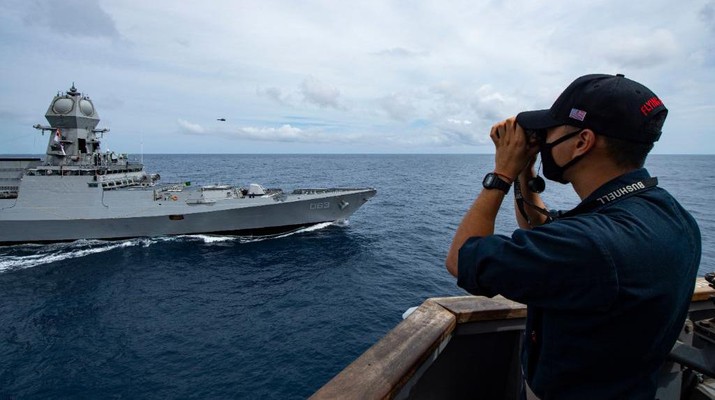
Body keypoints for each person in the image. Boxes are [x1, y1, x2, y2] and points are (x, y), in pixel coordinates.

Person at [445, 73, 701, 399]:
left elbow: (460, 257)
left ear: (582, 142)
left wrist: (502, 173)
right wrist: (527, 172)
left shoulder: (592, 246)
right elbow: (545, 234)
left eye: (552, 129)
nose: (543, 138)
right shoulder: (670, 215)